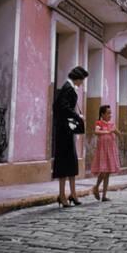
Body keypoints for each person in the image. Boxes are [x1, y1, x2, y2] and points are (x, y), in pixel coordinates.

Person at [52, 66, 89, 207]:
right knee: (64, 163)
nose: (82, 83)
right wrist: (77, 116)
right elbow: (61, 107)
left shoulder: (68, 87)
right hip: (64, 132)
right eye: (82, 80)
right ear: (77, 78)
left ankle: (72, 194)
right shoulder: (68, 88)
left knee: (71, 162)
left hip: (66, 131)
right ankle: (62, 195)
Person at [91, 105, 121, 202]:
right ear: (102, 114)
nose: (110, 115)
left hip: (110, 150)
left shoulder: (111, 124)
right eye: (108, 113)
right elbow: (96, 131)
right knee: (103, 171)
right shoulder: (99, 123)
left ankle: (104, 195)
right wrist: (108, 131)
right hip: (103, 150)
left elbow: (118, 133)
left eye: (110, 113)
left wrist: (116, 131)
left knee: (107, 173)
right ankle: (96, 187)